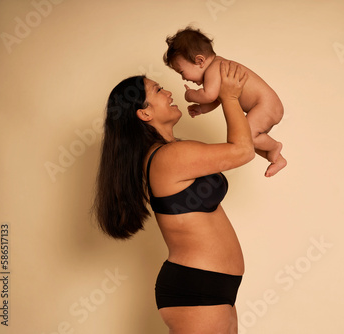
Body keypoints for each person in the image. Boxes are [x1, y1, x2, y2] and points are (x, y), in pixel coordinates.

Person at [93, 62, 254, 333]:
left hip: (214, 285)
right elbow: (242, 151)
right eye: (158, 90)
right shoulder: (170, 157)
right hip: (197, 289)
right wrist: (229, 96)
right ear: (144, 113)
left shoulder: (177, 150)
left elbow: (243, 144)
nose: (168, 93)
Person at [164, 26, 287, 177]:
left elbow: (209, 96)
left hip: (266, 105)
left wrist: (190, 95)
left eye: (182, 72)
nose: (184, 78)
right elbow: (218, 98)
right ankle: (277, 159)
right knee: (247, 140)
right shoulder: (217, 69)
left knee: (246, 135)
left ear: (200, 60)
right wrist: (202, 109)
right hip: (266, 106)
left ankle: (275, 146)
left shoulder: (215, 68)